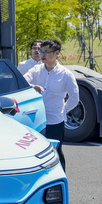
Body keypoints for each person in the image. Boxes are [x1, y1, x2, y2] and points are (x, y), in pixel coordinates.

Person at [23, 38, 79, 169]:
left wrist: (63, 110)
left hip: (55, 120)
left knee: (55, 152)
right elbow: (23, 82)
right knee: (35, 153)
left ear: (56, 53)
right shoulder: (36, 70)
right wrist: (33, 86)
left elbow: (74, 97)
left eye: (46, 52)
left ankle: (60, 179)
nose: (42, 54)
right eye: (41, 51)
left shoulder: (66, 74)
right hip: (36, 120)